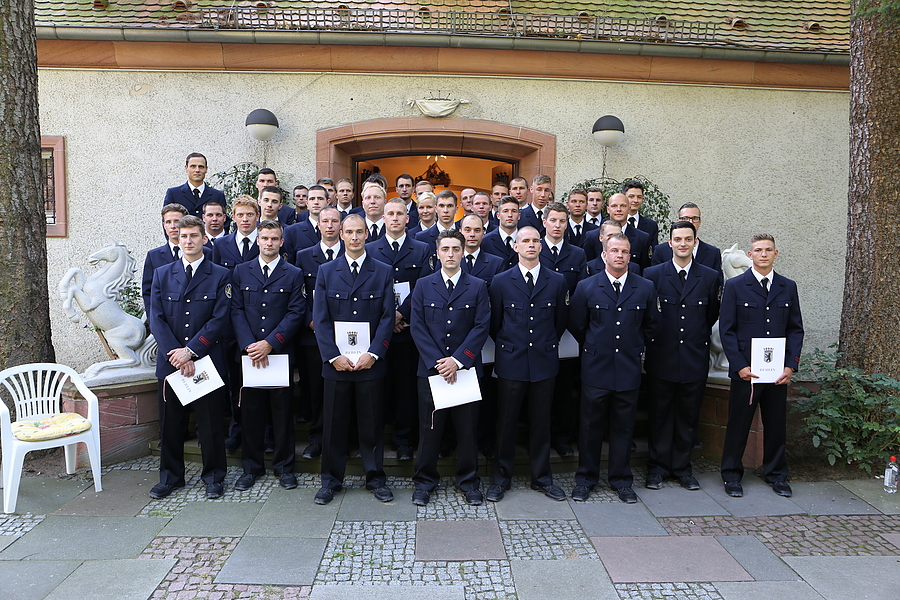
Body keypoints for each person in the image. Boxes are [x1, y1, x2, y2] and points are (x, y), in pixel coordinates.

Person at [313, 214, 396, 505]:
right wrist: (332, 356)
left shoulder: (383, 271)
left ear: (367, 235)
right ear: (341, 235)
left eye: (360, 232)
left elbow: (387, 318)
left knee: (371, 425)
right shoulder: (326, 271)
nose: (355, 237)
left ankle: (375, 479)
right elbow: (320, 320)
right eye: (349, 232)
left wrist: (374, 353)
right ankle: (330, 482)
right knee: (334, 426)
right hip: (336, 364)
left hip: (370, 363)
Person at [568, 233, 657, 503]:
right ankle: (586, 479)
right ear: (604, 255)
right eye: (614, 250)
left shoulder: (645, 287)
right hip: (596, 367)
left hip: (628, 368)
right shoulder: (586, 287)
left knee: (623, 428)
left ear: (631, 256)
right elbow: (577, 325)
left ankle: (621, 480)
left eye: (625, 251)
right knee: (590, 427)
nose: (620, 255)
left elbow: (652, 325)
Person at [147, 216, 230, 500]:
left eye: (194, 236)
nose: (188, 241)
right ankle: (171, 477)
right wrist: (179, 355)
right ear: (177, 239)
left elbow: (219, 319)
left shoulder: (220, 275)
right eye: (183, 236)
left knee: (210, 424)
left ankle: (214, 476)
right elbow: (156, 318)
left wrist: (191, 351)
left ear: (204, 239)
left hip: (206, 360)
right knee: (171, 424)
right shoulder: (162, 274)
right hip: (171, 363)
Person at [487, 226, 568, 503]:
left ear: (541, 246)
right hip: (511, 361)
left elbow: (560, 322)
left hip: (544, 362)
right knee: (506, 423)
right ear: (516, 246)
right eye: (525, 241)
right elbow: (495, 324)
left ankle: (542, 478)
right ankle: (501, 479)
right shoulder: (500, 281)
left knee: (541, 423)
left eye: (535, 241)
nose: (531, 245)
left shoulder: (557, 281)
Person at [409, 229, 490, 506]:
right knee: (429, 428)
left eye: (456, 249)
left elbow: (481, 327)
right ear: (437, 253)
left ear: (463, 252)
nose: (451, 254)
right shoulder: (423, 285)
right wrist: (439, 363)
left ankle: (469, 481)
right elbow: (417, 327)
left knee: (467, 430)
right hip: (432, 371)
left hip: (465, 370)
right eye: (446, 249)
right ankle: (424, 481)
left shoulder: (477, 285)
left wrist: (458, 360)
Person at [719, 233, 803, 498]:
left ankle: (776, 474)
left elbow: (795, 329)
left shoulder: (788, 287)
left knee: (776, 425)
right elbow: (727, 330)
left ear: (775, 254)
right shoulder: (735, 286)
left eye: (768, 250)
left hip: (776, 372)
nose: (763, 254)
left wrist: (791, 365)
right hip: (747, 371)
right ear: (751, 254)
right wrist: (739, 364)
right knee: (738, 425)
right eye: (758, 250)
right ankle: (731, 475)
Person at [642, 221, 721, 491]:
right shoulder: (653, 274)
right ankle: (657, 468)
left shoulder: (710, 276)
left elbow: (710, 316)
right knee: (660, 415)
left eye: (688, 239)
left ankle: (682, 468)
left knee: (688, 417)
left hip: (693, 357)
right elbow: (649, 316)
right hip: (661, 356)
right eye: (678, 239)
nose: (683, 244)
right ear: (670, 243)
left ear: (695, 242)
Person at [230, 220, 307, 491]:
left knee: (282, 413)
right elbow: (236, 310)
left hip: (279, 354)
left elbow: (296, 312)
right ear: (258, 240)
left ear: (281, 242)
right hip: (250, 355)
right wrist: (251, 345)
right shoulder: (241, 271)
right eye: (264, 238)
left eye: (274, 239)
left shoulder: (293, 273)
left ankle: (285, 468)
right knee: (250, 413)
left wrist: (270, 343)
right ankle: (251, 468)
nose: (269, 243)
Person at [367, 199, 434, 461]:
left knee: (406, 388)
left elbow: (423, 286)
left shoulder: (423, 249)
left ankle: (404, 440)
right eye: (390, 214)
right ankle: (376, 437)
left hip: (409, 332)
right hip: (378, 333)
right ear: (383, 218)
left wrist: (401, 314)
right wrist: (388, 316)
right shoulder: (371, 249)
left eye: (400, 214)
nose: (395, 218)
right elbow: (371, 288)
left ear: (409, 218)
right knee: (379, 387)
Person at [211, 195, 261, 453]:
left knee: (264, 383)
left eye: (249, 215)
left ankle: (266, 433)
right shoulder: (222, 245)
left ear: (257, 216)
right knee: (235, 383)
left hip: (261, 324)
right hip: (231, 327)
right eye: (240, 215)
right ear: (233, 216)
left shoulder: (266, 242)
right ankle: (236, 431)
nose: (245, 219)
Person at [295, 207, 344, 460]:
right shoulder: (304, 256)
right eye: (325, 221)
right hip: (313, 337)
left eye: (334, 221)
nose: (329, 225)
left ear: (341, 226)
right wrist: (312, 322)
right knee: (316, 390)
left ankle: (344, 440)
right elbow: (297, 294)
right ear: (318, 225)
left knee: (344, 391)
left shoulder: (353, 254)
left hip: (347, 337)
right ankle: (316, 438)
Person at [539, 203, 586, 458]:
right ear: (544, 222)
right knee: (540, 389)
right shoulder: (533, 249)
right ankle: (540, 437)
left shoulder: (577, 254)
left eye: (562, 221)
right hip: (538, 331)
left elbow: (578, 295)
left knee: (564, 389)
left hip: (567, 333)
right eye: (553, 220)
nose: (557, 225)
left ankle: (561, 437)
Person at [142, 203, 189, 316]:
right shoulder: (154, 256)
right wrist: (154, 322)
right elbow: (148, 293)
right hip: (165, 319)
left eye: (177, 221)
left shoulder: (202, 253)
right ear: (164, 225)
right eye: (168, 222)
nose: (173, 226)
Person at [584, 193, 651, 270]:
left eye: (623, 206)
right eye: (614, 206)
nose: (618, 209)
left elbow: (645, 269)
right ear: (608, 209)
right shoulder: (592, 236)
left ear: (629, 209)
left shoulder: (642, 238)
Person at [651, 202, 722, 272]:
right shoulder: (661, 251)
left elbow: (717, 282)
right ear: (678, 221)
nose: (690, 222)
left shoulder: (713, 253)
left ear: (700, 222)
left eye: (695, 218)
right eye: (685, 218)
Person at [163, 153, 226, 219]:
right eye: (193, 166)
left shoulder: (218, 196)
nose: (197, 170)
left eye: (201, 167)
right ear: (186, 168)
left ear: (206, 169)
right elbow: (167, 220)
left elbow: (224, 221)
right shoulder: (174, 194)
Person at [283, 185, 329, 262]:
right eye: (312, 199)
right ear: (307, 203)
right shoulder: (292, 232)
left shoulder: (337, 229)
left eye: (320, 199)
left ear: (328, 202)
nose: (316, 202)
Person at [481, 196, 521, 270]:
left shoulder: (526, 240)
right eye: (505, 211)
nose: (510, 215)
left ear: (519, 216)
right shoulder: (485, 241)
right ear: (498, 215)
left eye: (514, 211)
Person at [622, 179, 659, 248]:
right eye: (631, 197)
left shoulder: (651, 225)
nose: (635, 200)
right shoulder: (611, 222)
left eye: (639, 197)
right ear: (624, 197)